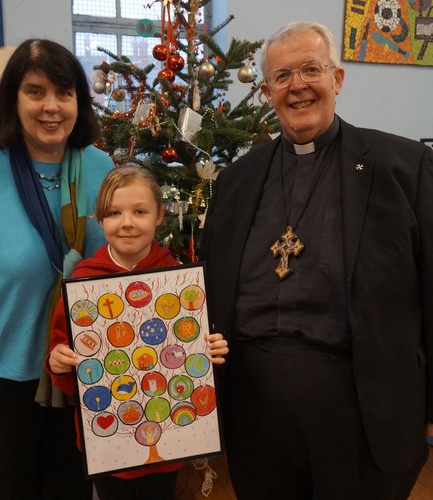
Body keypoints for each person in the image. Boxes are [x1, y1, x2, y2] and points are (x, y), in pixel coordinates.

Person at [200, 20, 433, 500]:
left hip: (360, 407)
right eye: (282, 77)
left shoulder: (403, 168)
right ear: (266, 91)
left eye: (311, 69)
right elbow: (209, 289)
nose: (298, 86)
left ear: (337, 79)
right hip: (255, 407)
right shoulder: (236, 181)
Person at [0, 39, 114, 499]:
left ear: (79, 101)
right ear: (13, 98)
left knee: (69, 485)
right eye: (35, 92)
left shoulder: (99, 167)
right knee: (5, 487)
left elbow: (116, 261)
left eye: (64, 92)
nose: (51, 107)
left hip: (77, 362)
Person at [48, 166, 229, 500]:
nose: (127, 222)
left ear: (159, 216)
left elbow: (195, 351)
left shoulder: (179, 279)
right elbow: (63, 359)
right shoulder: (83, 284)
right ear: (100, 220)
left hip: (169, 433)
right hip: (109, 440)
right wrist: (59, 363)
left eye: (139, 211)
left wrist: (212, 350)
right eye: (114, 213)